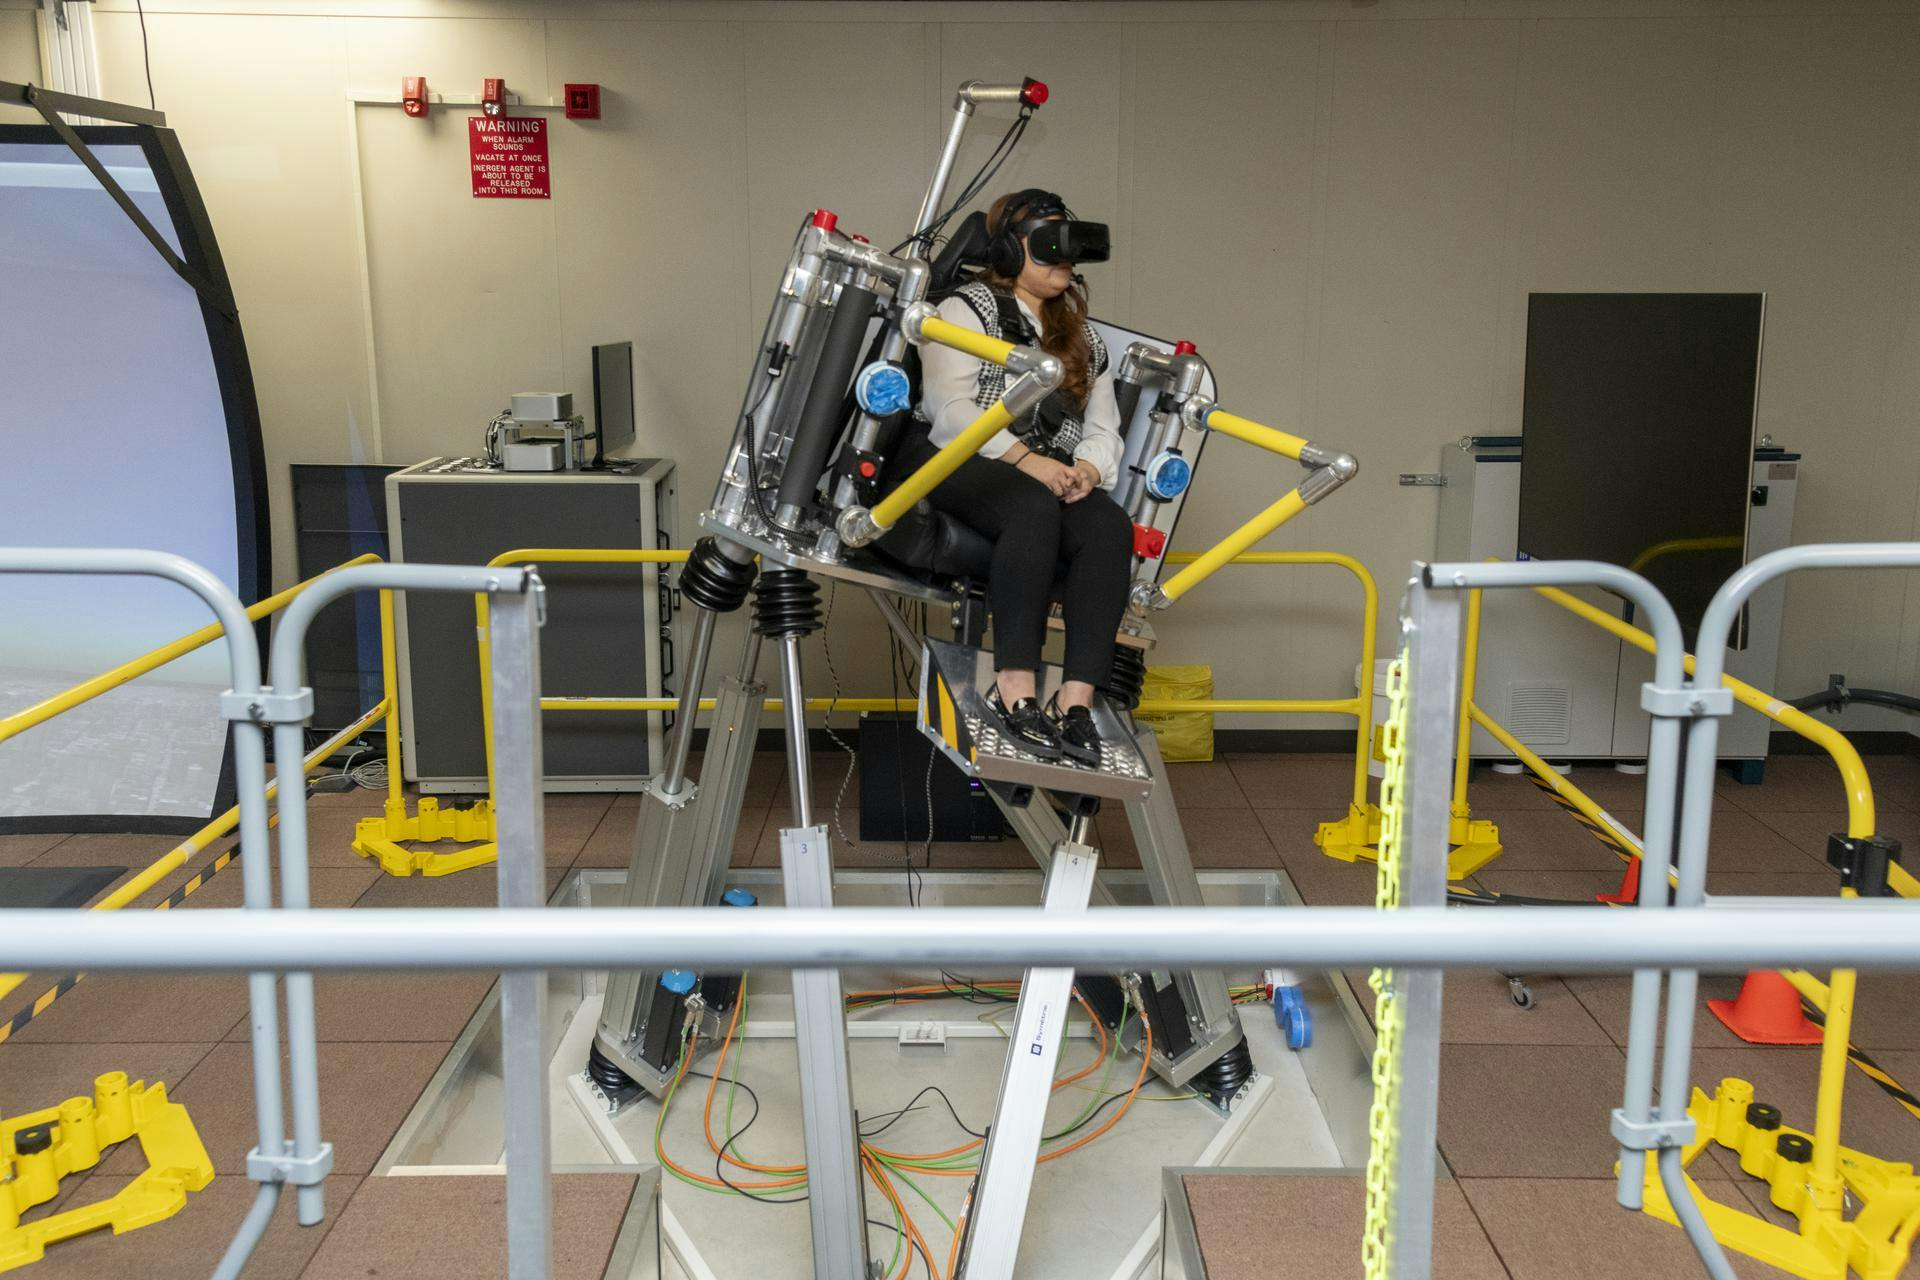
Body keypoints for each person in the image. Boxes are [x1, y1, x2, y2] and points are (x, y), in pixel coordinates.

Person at [908, 188, 1133, 766]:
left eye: (1067, 250)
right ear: (1010, 253)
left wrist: (1087, 467)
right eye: (1045, 249)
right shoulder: (965, 310)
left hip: (1048, 468)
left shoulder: (1084, 337)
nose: (1062, 261)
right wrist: (1028, 461)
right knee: (1031, 509)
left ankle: (1075, 702)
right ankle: (1015, 690)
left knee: (1108, 526)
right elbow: (948, 410)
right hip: (964, 460)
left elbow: (1104, 428)